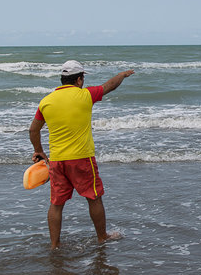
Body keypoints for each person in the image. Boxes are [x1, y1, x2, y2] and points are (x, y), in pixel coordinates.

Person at [29, 60, 135, 250]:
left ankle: (55, 244)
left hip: (57, 161)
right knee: (94, 197)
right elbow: (108, 86)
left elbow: (33, 130)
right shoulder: (85, 95)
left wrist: (39, 151)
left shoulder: (46, 101)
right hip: (81, 158)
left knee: (56, 204)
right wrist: (122, 75)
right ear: (78, 79)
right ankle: (102, 237)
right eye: (83, 78)